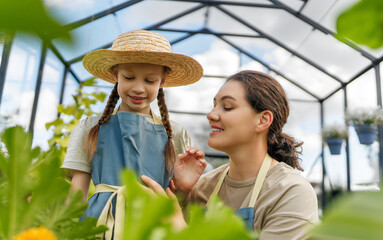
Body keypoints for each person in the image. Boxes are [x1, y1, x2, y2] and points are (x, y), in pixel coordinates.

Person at [61, 30, 206, 240]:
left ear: (162, 81)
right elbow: (76, 197)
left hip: (154, 226)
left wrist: (183, 188)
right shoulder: (90, 127)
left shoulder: (175, 133)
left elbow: (177, 201)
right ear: (115, 75)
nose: (138, 88)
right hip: (99, 227)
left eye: (150, 80)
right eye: (129, 77)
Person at [142, 70, 319, 239]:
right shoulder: (203, 187)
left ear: (263, 120)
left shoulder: (290, 192)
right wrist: (180, 194)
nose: (211, 115)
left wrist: (179, 230)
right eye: (214, 106)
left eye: (227, 107)